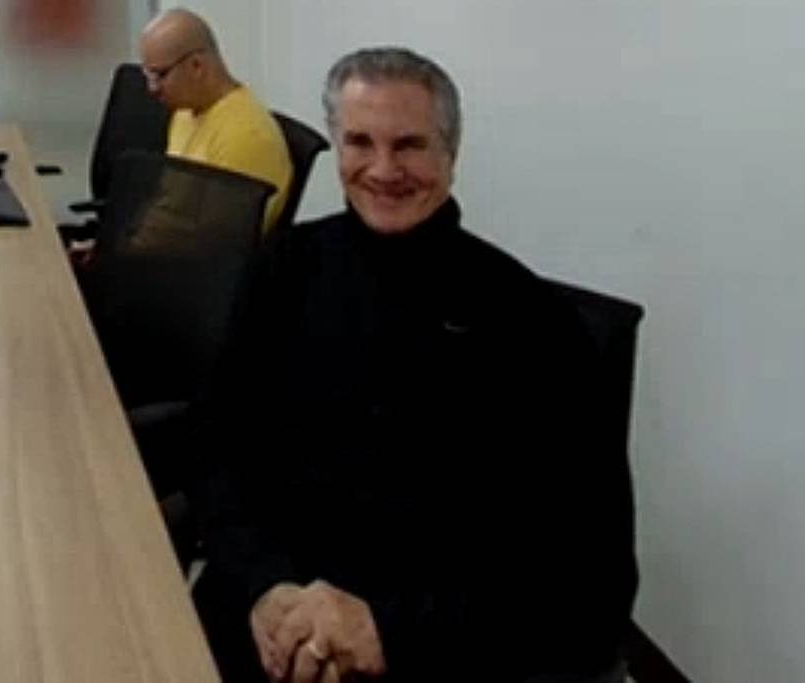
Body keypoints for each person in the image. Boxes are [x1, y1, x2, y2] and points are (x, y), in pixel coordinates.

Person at [191, 47, 637, 682]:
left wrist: (385, 631)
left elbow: (590, 583)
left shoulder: (534, 323)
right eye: (359, 142)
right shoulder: (284, 268)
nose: (383, 169)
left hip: (439, 648)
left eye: (409, 145)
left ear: (451, 153)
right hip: (273, 623)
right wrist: (266, 589)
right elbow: (221, 452)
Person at [139, 8, 293, 232]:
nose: (152, 89)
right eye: (148, 75)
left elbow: (215, 239)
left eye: (160, 75)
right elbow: (169, 204)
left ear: (197, 66)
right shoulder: (184, 112)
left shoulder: (245, 135)